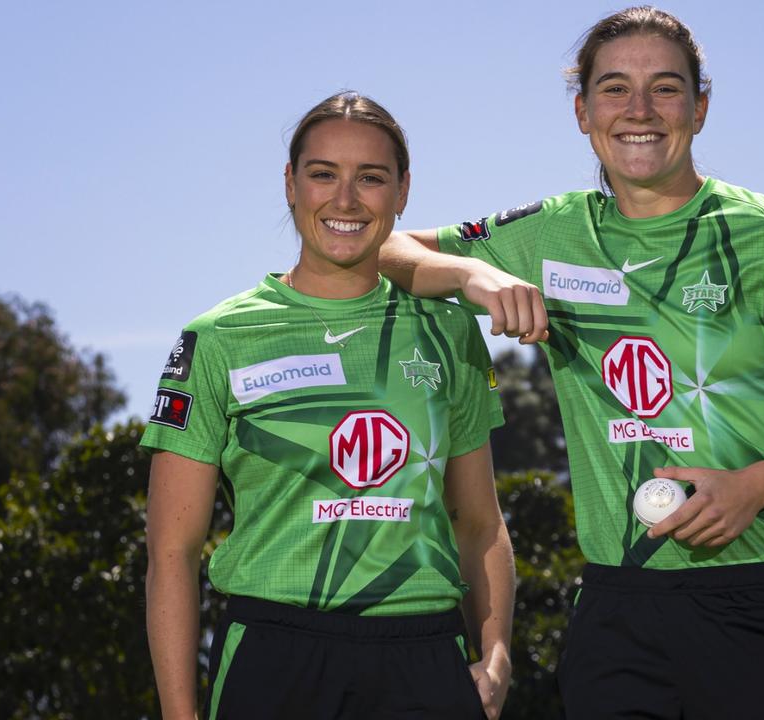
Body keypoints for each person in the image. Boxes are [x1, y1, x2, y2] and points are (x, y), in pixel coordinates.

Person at [379, 6, 764, 719]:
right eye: (614, 89)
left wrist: (758, 485)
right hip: (615, 606)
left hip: (759, 597)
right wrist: (475, 278)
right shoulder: (549, 233)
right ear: (581, 111)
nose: (639, 110)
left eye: (665, 89)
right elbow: (387, 248)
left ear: (699, 108)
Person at [143, 91, 513, 720]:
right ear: (290, 184)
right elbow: (171, 554)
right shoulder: (216, 338)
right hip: (273, 654)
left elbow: (479, 521)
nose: (346, 200)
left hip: (425, 654)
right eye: (323, 175)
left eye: (371, 178)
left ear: (402, 192)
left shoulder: (450, 333)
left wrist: (497, 652)